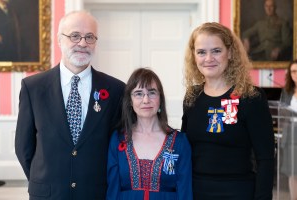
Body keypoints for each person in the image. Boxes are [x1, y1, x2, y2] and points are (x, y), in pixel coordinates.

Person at [15, 10, 125, 199]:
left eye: (89, 37)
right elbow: (23, 147)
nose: (82, 43)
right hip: (47, 194)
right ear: (59, 39)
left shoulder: (115, 89)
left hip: (95, 194)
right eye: (75, 36)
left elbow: (118, 146)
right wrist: (43, 180)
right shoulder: (33, 87)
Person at [181, 22, 275, 199]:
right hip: (195, 191)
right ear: (194, 56)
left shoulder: (251, 97)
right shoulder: (192, 96)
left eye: (216, 50)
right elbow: (185, 149)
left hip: (238, 191)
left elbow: (266, 159)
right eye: (201, 52)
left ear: (230, 53)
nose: (208, 58)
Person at [107, 68, 193, 200]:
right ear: (130, 101)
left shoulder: (179, 142)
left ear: (160, 99)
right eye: (138, 94)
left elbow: (185, 192)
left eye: (152, 93)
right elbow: (112, 191)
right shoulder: (118, 139)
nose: (146, 100)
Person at [279, 60, 297, 200]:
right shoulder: (287, 91)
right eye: (293, 71)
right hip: (291, 134)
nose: (296, 74)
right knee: (293, 172)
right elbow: (281, 112)